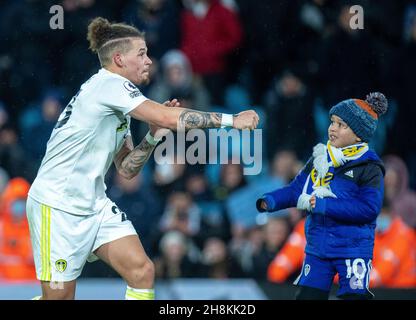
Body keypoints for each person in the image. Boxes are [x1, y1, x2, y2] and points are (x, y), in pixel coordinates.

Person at [26, 17, 259, 300]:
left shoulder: (117, 105)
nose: (149, 61)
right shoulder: (110, 85)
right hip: (57, 205)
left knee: (142, 271)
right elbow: (167, 116)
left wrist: (151, 137)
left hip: (93, 205)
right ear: (119, 59)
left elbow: (126, 169)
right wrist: (231, 120)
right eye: (141, 54)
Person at [257, 92, 388, 300]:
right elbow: (296, 190)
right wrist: (270, 201)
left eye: (341, 124)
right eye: (332, 122)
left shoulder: (370, 167)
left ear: (358, 134)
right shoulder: (320, 157)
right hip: (318, 249)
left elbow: (368, 209)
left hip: (352, 251)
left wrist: (322, 205)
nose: (332, 128)